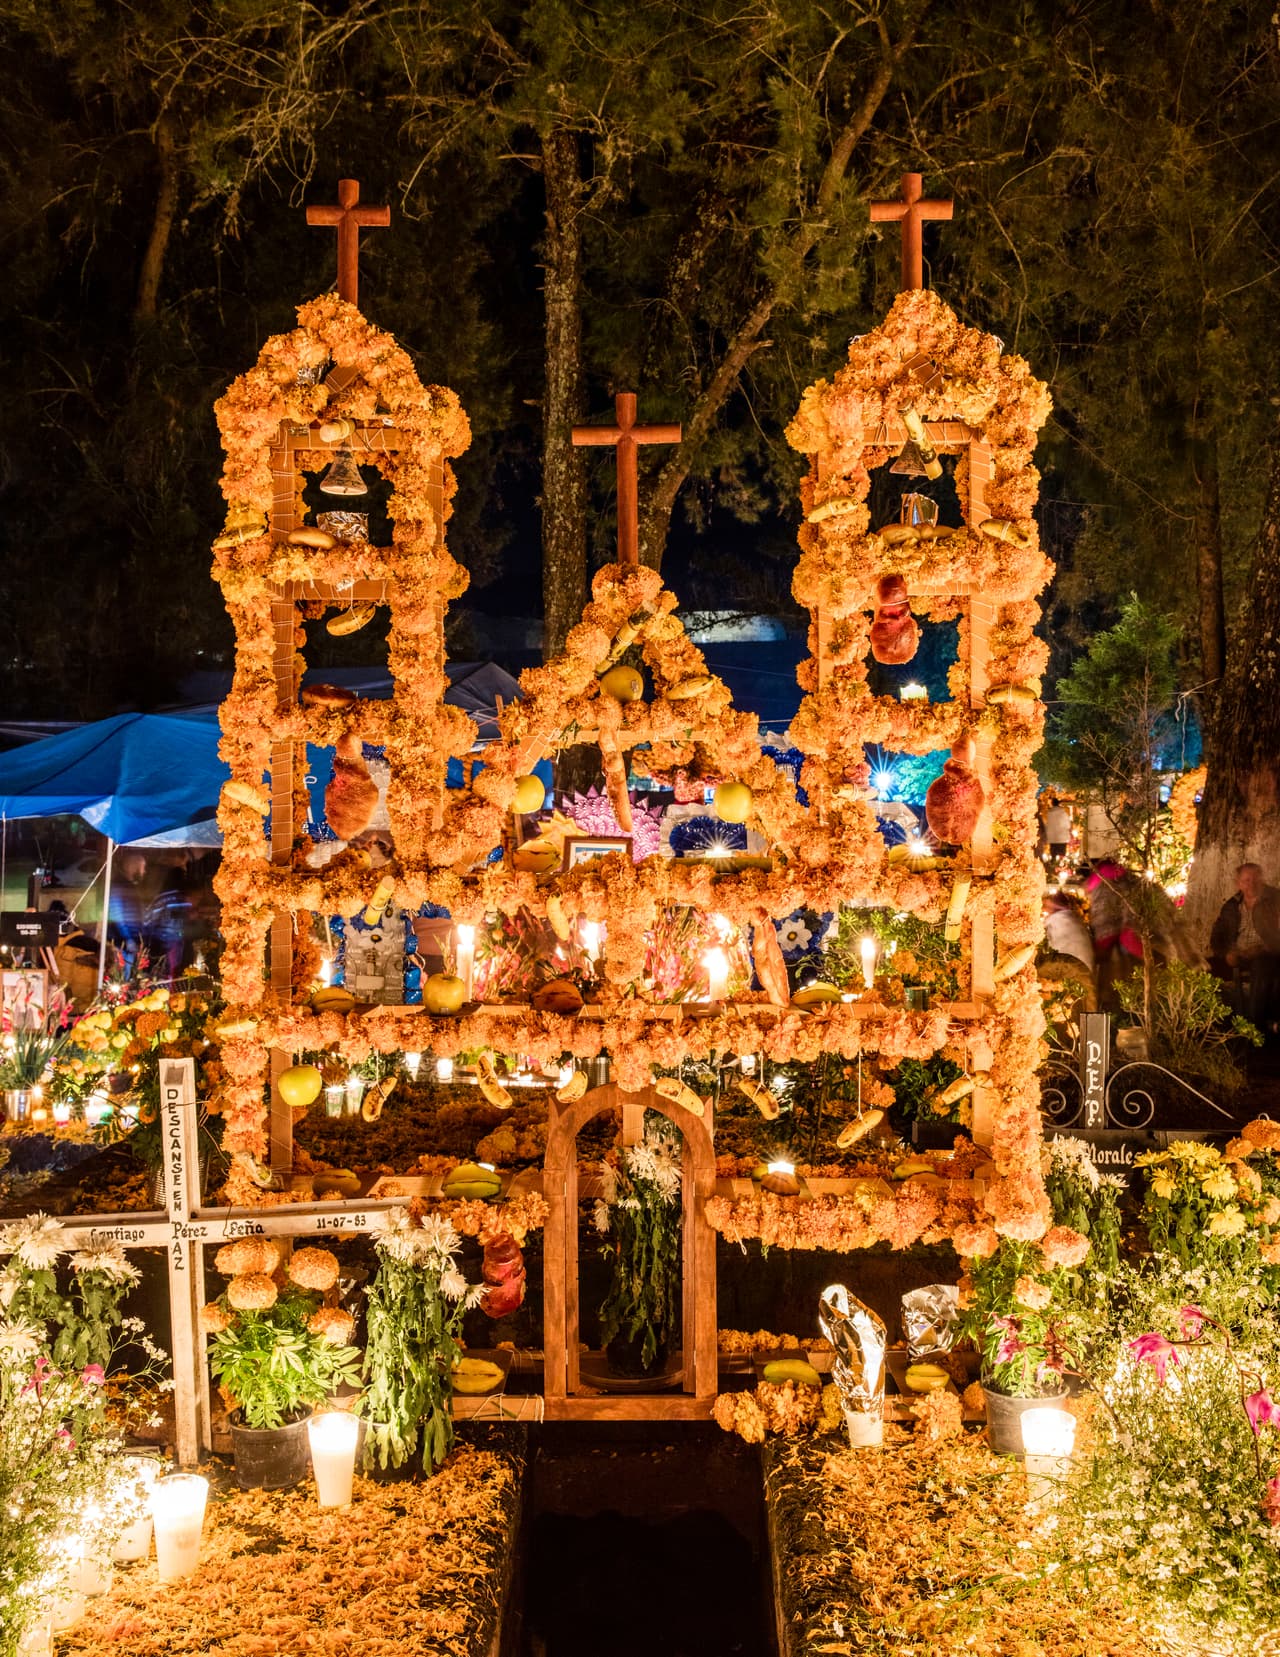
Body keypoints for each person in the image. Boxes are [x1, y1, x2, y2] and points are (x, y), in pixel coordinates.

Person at [1209, 862, 1280, 1034]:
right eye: (1246, 880)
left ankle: (1253, 1028)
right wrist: (1227, 953)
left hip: (1268, 954)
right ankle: (1215, 1029)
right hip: (1239, 955)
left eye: (1255, 879)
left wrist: (1264, 947)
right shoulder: (1232, 906)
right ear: (1238, 883)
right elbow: (1217, 937)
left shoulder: (1275, 900)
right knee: (1204, 968)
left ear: (1262, 879)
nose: (1251, 884)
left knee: (1261, 965)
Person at [1043, 891, 1095, 974]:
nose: (1045, 908)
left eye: (1047, 905)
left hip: (1072, 963)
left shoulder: (1059, 920)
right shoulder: (1072, 917)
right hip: (1082, 964)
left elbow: (1053, 944)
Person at [1043, 796, 1072, 860]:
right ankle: (1062, 866)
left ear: (1052, 804)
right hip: (1062, 837)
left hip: (1053, 838)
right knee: (1062, 856)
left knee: (1053, 856)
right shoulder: (1063, 813)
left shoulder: (1049, 813)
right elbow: (1068, 824)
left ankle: (1054, 866)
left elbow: (1048, 825)